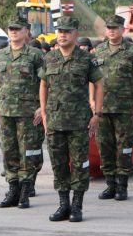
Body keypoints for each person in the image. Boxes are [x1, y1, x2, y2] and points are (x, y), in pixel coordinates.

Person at [40, 16, 103, 222]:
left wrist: (97, 113)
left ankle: (77, 206)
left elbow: (99, 82)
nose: (63, 35)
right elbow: (43, 85)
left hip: (79, 121)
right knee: (58, 165)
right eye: (60, 31)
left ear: (75, 34)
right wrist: (44, 112)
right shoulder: (50, 58)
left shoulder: (85, 59)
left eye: (67, 31)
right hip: (55, 121)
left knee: (79, 165)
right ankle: (63, 205)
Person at [94, 15, 133, 201]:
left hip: (125, 108)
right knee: (105, 147)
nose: (111, 30)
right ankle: (110, 184)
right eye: (109, 27)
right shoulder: (98, 51)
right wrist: (91, 101)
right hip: (102, 109)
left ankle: (122, 185)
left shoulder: (132, 51)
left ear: (122, 30)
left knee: (125, 147)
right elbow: (91, 78)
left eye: (115, 27)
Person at [0, 19, 45, 209]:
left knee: (28, 152)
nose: (13, 32)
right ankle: (12, 190)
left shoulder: (35, 55)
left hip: (28, 112)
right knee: (8, 151)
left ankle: (25, 192)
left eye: (17, 29)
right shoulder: (1, 55)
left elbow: (45, 83)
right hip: (6, 111)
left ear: (26, 31)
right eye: (11, 29)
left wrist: (41, 107)